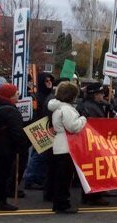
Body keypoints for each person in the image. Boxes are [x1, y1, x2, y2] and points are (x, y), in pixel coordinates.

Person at [0, 84, 28, 212]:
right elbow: (17, 133)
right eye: (15, 93)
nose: (17, 94)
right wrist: (21, 147)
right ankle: (1, 202)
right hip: (5, 148)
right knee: (3, 175)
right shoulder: (11, 111)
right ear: (10, 95)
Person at [48, 82, 86, 214]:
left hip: (59, 143)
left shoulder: (58, 108)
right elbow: (74, 127)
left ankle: (59, 203)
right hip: (66, 145)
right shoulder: (67, 109)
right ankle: (63, 204)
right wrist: (83, 119)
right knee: (64, 178)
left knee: (60, 177)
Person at [75, 83, 114, 206]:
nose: (103, 95)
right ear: (94, 95)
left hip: (95, 141)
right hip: (91, 142)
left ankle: (98, 192)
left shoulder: (96, 105)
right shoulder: (88, 107)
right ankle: (93, 196)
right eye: (101, 93)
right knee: (94, 168)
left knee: (100, 167)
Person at [23, 73, 55, 191]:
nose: (49, 83)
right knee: (39, 156)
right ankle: (30, 179)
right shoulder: (37, 97)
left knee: (39, 155)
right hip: (40, 127)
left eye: (50, 80)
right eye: (46, 81)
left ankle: (37, 177)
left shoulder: (49, 95)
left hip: (46, 126)